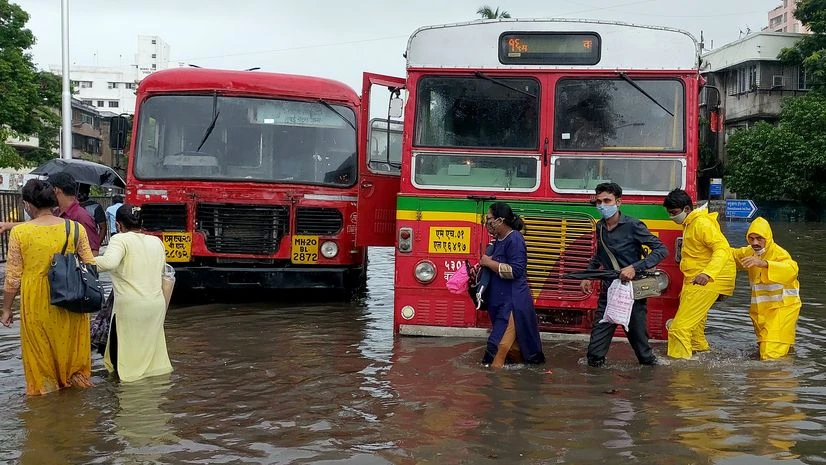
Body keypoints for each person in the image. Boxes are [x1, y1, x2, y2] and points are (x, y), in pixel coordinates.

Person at [0, 179, 95, 395]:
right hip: (71, 296)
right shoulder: (75, 228)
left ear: (28, 204)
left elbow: (13, 278)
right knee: (71, 355)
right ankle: (78, 408)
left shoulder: (20, 233)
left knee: (41, 359)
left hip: (37, 300)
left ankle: (47, 407)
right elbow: (90, 264)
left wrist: (6, 310)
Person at [582, 182, 668, 367]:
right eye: (599, 202)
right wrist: (589, 275)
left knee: (643, 353)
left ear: (618, 202)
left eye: (607, 201)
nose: (602, 205)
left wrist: (634, 267)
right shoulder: (600, 227)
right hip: (609, 292)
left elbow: (661, 250)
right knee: (594, 354)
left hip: (632, 293)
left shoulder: (633, 225)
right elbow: (599, 254)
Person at [94, 204, 172, 382]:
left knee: (121, 356)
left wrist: (82, 262)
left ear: (118, 225)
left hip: (130, 308)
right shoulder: (156, 242)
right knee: (151, 354)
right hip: (156, 305)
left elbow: (109, 262)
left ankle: (123, 392)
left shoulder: (120, 239)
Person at [663, 188, 736, 359]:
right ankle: (701, 364)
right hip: (697, 280)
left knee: (678, 329)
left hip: (708, 280)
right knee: (694, 331)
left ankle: (679, 371)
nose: (671, 217)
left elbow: (723, 249)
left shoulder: (701, 223)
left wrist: (708, 274)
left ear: (687, 209)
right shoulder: (691, 223)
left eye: (673, 213)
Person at [477, 202, 545, 368]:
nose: (488, 223)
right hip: (499, 301)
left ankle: (496, 386)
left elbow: (516, 271)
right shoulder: (498, 240)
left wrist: (489, 263)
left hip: (512, 301)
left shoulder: (514, 239)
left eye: (490, 219)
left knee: (498, 347)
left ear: (501, 220)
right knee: (515, 349)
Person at [731, 217, 801, 360]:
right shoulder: (749, 252)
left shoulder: (779, 253)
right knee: (772, 348)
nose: (755, 243)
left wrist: (764, 263)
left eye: (759, 238)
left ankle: (769, 380)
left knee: (770, 355)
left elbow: (792, 269)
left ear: (767, 238)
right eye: (751, 239)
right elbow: (729, 254)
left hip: (782, 309)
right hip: (762, 312)